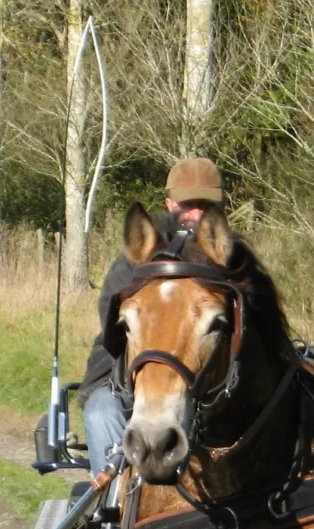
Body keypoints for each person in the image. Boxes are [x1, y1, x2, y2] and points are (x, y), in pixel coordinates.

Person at [80, 157, 224, 476]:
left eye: (206, 205)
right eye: (188, 205)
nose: (196, 215)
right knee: (101, 411)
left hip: (211, 377)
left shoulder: (230, 256)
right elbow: (110, 311)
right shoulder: (141, 253)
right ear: (169, 203)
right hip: (127, 368)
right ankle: (112, 510)